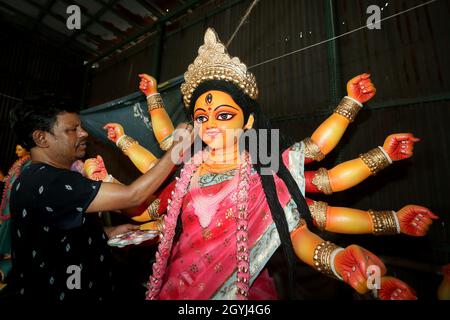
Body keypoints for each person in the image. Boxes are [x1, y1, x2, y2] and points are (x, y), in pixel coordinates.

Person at [90, 29, 437, 300]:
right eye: (201, 116)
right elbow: (143, 207)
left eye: (224, 115)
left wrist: (339, 259)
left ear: (248, 122)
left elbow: (321, 191)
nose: (211, 123)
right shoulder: (186, 167)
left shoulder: (266, 162)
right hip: (177, 288)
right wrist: (107, 179)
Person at [6, 94, 193, 301]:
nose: (83, 133)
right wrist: (177, 149)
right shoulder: (48, 181)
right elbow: (133, 196)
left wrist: (105, 233)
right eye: (72, 129)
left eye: (81, 127)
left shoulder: (38, 177)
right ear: (41, 138)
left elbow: (52, 232)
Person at [0, 145, 32, 291]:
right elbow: (8, 182)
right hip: (8, 205)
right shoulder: (19, 163)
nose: (15, 151)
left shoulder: (29, 164)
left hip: (16, 206)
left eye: (19, 149)